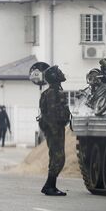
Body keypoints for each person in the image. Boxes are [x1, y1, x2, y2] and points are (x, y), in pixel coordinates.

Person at [38, 65, 71, 196]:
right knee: (58, 158)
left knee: (56, 157)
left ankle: (50, 185)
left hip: (55, 128)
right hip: (55, 129)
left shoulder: (53, 91)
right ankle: (49, 186)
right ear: (54, 77)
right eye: (59, 72)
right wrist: (55, 130)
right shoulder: (53, 93)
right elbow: (51, 114)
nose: (62, 73)